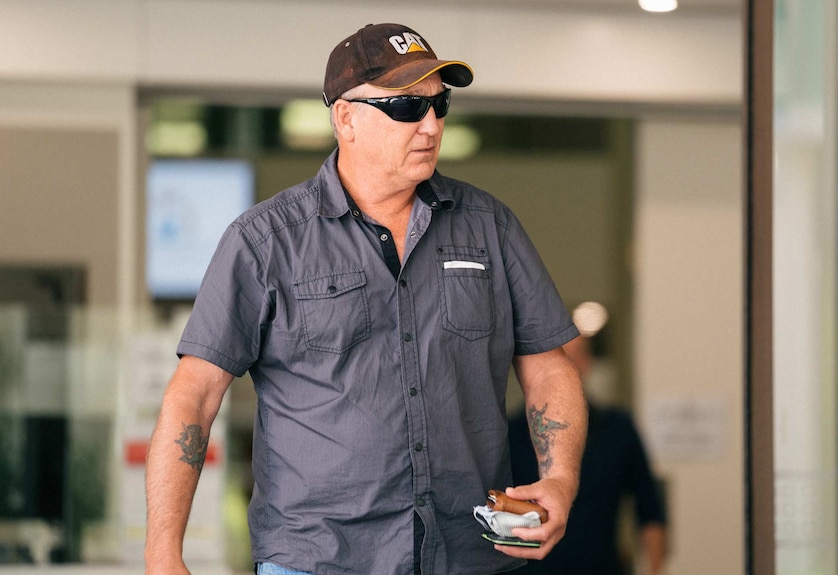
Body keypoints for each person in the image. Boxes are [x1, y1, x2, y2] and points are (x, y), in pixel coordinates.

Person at [144, 22, 587, 575]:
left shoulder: (489, 228)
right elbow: (193, 399)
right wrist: (163, 554)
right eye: (406, 107)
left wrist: (560, 479)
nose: (430, 124)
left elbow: (549, 368)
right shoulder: (265, 243)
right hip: (317, 560)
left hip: (466, 557)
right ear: (345, 117)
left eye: (439, 104)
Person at [508, 317, 668, 575]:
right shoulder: (509, 433)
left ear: (588, 362)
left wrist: (656, 568)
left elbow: (649, 508)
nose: (568, 366)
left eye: (576, 355)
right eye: (560, 358)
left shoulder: (619, 428)